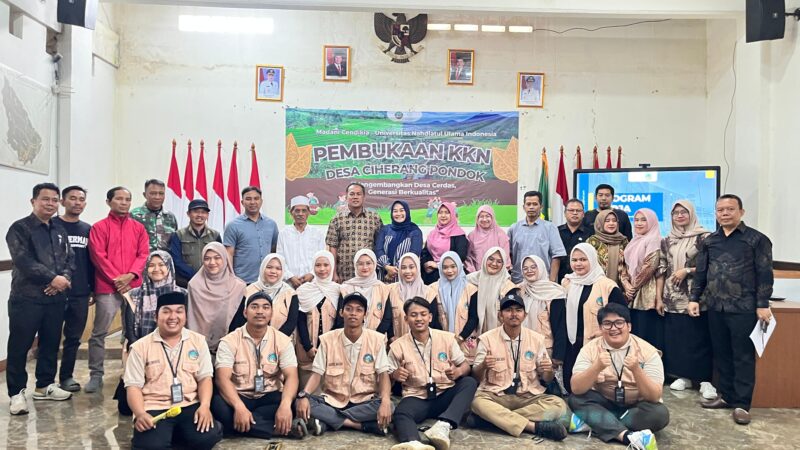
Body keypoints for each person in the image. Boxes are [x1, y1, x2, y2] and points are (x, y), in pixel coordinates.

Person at [690, 194, 773, 425]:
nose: (725, 213)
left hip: (744, 307)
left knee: (743, 356)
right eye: (720, 210)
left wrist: (762, 304)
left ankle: (742, 405)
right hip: (716, 306)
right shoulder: (710, 241)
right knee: (721, 354)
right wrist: (694, 298)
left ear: (741, 212)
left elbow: (765, 273)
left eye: (730, 209)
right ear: (715, 213)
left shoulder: (757, 240)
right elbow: (701, 272)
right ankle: (725, 396)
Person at [6, 183, 75, 415]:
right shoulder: (19, 229)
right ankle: (16, 393)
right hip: (26, 298)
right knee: (20, 346)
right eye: (45, 199)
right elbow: (23, 261)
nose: (50, 204)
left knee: (50, 343)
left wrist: (62, 279)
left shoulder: (59, 228)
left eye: (55, 200)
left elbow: (70, 258)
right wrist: (52, 278)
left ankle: (44, 385)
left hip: (55, 298)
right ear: (33, 201)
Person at [124, 292, 222, 450]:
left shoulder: (198, 341)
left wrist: (204, 406)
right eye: (166, 311)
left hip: (189, 404)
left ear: (185, 316)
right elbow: (133, 386)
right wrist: (140, 413)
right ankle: (166, 436)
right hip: (154, 407)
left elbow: (205, 378)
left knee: (207, 438)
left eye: (179, 311)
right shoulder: (140, 347)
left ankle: (170, 436)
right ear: (156, 316)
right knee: (150, 447)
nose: (173, 317)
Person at [471, 290, 568, 441]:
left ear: (525, 315)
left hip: (527, 396)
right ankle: (533, 427)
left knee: (559, 405)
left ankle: (492, 421)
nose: (513, 314)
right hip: (497, 396)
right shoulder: (487, 339)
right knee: (476, 402)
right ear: (500, 315)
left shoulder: (536, 339)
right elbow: (476, 376)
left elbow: (547, 378)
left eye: (518, 310)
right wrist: (483, 365)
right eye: (508, 310)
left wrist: (548, 371)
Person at [568, 303, 668, 449]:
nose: (613, 328)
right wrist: (597, 367)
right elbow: (576, 388)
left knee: (659, 414)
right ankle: (627, 436)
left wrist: (636, 370)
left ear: (629, 326)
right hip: (605, 403)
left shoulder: (648, 351)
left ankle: (596, 423)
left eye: (619, 323)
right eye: (607, 324)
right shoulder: (589, 349)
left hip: (636, 407)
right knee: (576, 399)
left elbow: (654, 395)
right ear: (601, 328)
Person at [294, 293, 394, 438]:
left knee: (390, 405)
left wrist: (384, 401)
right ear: (341, 313)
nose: (353, 313)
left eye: (359, 310)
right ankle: (361, 425)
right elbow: (316, 374)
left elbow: (383, 375)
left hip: (364, 401)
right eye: (349, 309)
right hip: (333, 400)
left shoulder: (376, 340)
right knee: (301, 401)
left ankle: (328, 422)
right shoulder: (328, 339)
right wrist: (304, 395)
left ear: (365, 315)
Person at [389, 297, 477, 450]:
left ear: (430, 317)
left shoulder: (446, 339)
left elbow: (465, 366)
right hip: (417, 397)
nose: (419, 319)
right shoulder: (397, 346)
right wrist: (395, 375)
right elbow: (387, 375)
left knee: (469, 382)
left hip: (444, 393)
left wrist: (458, 371)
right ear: (406, 318)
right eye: (414, 315)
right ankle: (413, 443)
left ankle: (444, 425)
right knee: (401, 413)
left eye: (423, 314)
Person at [211, 291, 301, 439]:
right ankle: (277, 429)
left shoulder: (283, 341)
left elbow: (291, 376)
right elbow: (222, 379)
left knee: (290, 403)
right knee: (218, 405)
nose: (260, 311)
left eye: (266, 307)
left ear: (271, 314)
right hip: (239, 396)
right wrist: (239, 407)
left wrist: (285, 406)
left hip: (268, 396)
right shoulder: (229, 341)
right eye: (254, 307)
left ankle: (239, 426)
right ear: (245, 312)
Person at [86, 186, 149, 394]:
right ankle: (96, 375)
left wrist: (130, 276)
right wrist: (117, 280)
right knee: (99, 332)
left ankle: (132, 373)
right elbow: (98, 257)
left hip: (134, 288)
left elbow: (143, 254)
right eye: (119, 199)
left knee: (134, 331)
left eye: (127, 199)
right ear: (108, 201)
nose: (124, 202)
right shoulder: (99, 227)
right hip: (107, 287)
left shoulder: (138, 228)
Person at [549, 243, 627, 393]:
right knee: (572, 387)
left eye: (583, 259)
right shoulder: (567, 283)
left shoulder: (607, 285)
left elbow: (623, 316)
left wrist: (606, 332)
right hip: (571, 345)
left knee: (596, 387)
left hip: (597, 345)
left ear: (592, 259)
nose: (578, 264)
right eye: (575, 260)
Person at [659, 200, 715, 397]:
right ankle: (683, 376)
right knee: (678, 338)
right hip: (673, 296)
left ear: (691, 214)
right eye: (676, 213)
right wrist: (660, 297)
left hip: (697, 295)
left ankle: (705, 380)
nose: (680, 216)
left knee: (698, 336)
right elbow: (663, 267)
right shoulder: (668, 240)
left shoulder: (705, 237)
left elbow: (712, 265)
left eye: (684, 212)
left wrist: (687, 270)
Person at [53, 185, 95, 393]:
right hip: (53, 292)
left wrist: (93, 288)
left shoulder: (88, 229)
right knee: (50, 336)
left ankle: (66, 376)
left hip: (79, 291)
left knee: (73, 337)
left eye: (81, 199)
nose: (77, 202)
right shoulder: (51, 226)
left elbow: (92, 261)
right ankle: (46, 380)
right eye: (72, 198)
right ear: (62, 201)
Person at [187, 242, 247, 353]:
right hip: (198, 348)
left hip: (230, 347)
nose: (212, 262)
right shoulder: (194, 285)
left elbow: (240, 322)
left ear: (225, 259)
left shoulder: (238, 286)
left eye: (217, 258)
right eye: (207, 258)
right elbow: (192, 319)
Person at [296, 251, 341, 382]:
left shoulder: (338, 290)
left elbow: (340, 322)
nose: (322, 269)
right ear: (313, 267)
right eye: (318, 265)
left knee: (330, 395)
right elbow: (300, 321)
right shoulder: (304, 291)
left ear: (332, 266)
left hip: (332, 349)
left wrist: (326, 346)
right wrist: (308, 347)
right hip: (307, 351)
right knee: (307, 395)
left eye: (326, 265)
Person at [326, 182, 383, 282]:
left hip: (368, 275)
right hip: (344, 275)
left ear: (363, 197)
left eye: (358, 194)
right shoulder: (337, 219)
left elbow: (380, 246)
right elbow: (332, 248)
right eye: (352, 194)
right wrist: (333, 273)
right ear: (346, 197)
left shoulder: (374, 218)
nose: (355, 197)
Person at [624, 209, 665, 351]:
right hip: (633, 293)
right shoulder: (634, 241)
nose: (639, 223)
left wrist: (632, 288)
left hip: (648, 293)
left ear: (652, 222)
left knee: (648, 334)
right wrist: (626, 285)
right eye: (636, 220)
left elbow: (650, 267)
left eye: (644, 220)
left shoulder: (654, 239)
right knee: (635, 334)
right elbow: (625, 265)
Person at [231, 253, 299, 337]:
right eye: (269, 267)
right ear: (263, 268)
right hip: (249, 341)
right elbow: (239, 319)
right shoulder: (250, 290)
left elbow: (291, 323)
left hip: (279, 344)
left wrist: (273, 342)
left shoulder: (290, 294)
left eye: (278, 268)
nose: (273, 271)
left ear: (283, 271)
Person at [507, 191, 566, 283]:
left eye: (535, 204)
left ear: (541, 207)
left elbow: (557, 256)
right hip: (518, 281)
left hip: (543, 281)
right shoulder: (514, 228)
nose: (531, 207)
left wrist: (551, 280)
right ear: (524, 207)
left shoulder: (550, 227)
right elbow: (508, 255)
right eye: (528, 204)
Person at [223, 186, 279, 283]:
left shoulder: (271, 224)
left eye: (256, 198)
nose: (252, 202)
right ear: (242, 202)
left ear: (261, 201)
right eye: (248, 199)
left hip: (266, 281)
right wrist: (231, 279)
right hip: (242, 281)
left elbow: (274, 251)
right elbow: (228, 255)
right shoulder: (233, 226)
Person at [431, 251, 480, 363]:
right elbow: (433, 318)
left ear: (459, 265)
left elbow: (474, 318)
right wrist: (445, 339)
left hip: (465, 341)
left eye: (453, 266)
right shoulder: (433, 289)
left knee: (465, 372)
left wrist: (460, 338)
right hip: (441, 341)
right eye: (445, 267)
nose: (449, 271)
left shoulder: (471, 289)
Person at [337, 249, 393, 335]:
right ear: (355, 265)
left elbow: (387, 318)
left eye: (368, 263)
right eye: (360, 264)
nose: (365, 267)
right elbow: (340, 318)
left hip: (377, 340)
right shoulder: (346, 288)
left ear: (374, 264)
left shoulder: (383, 288)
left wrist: (374, 337)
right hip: (351, 339)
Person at [518, 255, 565, 355]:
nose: (529, 271)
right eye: (525, 268)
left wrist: (558, 356)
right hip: (522, 346)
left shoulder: (554, 293)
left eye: (533, 267)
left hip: (546, 348)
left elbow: (560, 327)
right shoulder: (519, 290)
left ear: (541, 267)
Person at [169, 199, 222, 288]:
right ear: (188, 214)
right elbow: (176, 261)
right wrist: (195, 276)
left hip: (210, 282)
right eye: (196, 212)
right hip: (185, 283)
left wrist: (208, 275)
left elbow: (220, 259)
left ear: (207, 215)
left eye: (203, 212)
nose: (200, 215)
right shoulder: (178, 235)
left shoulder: (215, 235)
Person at [387, 253, 440, 339]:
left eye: (411, 267)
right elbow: (387, 318)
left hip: (424, 344)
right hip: (396, 344)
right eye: (403, 267)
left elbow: (433, 322)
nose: (408, 271)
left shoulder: (429, 293)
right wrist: (391, 337)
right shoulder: (390, 290)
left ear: (418, 268)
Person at [277, 195, 326, 289]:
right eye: (297, 210)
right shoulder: (283, 234)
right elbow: (280, 259)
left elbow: (322, 258)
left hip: (313, 283)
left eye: (304, 210)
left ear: (309, 213)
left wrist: (312, 274)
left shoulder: (317, 233)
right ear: (291, 212)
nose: (300, 213)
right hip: (289, 284)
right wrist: (290, 277)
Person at [468, 247, 517, 334]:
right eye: (491, 259)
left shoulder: (509, 287)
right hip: (474, 333)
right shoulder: (471, 280)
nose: (494, 264)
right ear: (485, 260)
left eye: (499, 261)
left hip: (500, 334)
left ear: (503, 265)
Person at [375, 200, 423, 282]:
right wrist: (387, 267)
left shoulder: (415, 231)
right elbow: (379, 249)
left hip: (405, 276)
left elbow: (413, 253)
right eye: (395, 211)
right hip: (384, 275)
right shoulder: (385, 230)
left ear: (407, 212)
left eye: (402, 210)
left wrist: (394, 271)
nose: (398, 214)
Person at [420, 202, 468, 284]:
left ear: (452, 215)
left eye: (446, 212)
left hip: (451, 276)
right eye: (440, 212)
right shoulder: (432, 233)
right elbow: (425, 252)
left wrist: (439, 265)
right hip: (430, 276)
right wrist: (426, 264)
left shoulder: (459, 234)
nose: (443, 215)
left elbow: (460, 256)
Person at [586, 209, 632, 289]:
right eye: (607, 221)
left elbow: (628, 265)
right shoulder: (592, 242)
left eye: (614, 221)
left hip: (621, 288)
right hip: (596, 287)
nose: (611, 223)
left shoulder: (623, 241)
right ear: (600, 223)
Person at [130, 179, 179, 252]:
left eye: (161, 193)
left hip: (165, 262)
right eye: (153, 193)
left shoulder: (170, 217)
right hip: (143, 262)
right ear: (144, 195)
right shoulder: (133, 216)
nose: (157, 197)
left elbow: (174, 244)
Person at [465, 205, 510, 274]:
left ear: (492, 218)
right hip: (477, 276)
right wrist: (473, 273)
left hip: (498, 275)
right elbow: (468, 257)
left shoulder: (501, 234)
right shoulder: (472, 236)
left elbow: (505, 256)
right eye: (481, 216)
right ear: (477, 219)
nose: (484, 219)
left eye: (487, 216)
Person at [557, 199, 593, 282]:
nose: (575, 213)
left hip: (584, 279)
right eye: (571, 210)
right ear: (565, 213)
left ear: (583, 214)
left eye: (578, 210)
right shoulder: (556, 232)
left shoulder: (591, 234)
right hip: (559, 278)